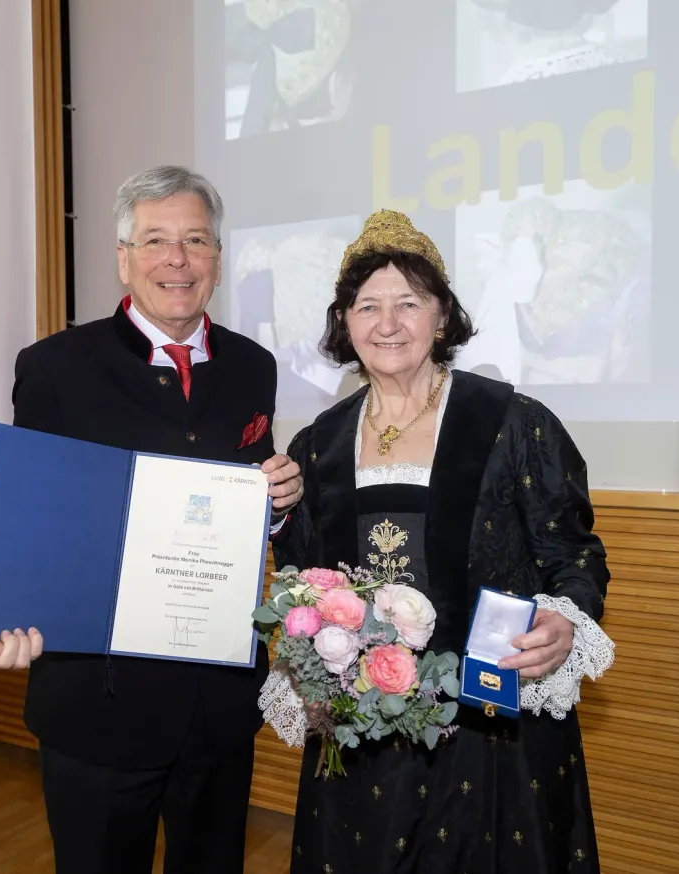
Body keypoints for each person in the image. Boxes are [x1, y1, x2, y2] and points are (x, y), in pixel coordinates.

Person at [0, 165, 304, 874]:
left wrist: (278, 510)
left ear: (219, 260)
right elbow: (27, 513)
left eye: (196, 241)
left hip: (218, 705)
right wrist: (6, 615)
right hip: (97, 708)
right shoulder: (56, 366)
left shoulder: (253, 366)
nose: (178, 260)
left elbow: (244, 510)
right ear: (122, 256)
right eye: (156, 240)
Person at [270, 209, 613, 873]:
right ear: (345, 323)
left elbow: (574, 557)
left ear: (443, 317)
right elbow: (300, 576)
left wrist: (565, 622)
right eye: (367, 306)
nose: (387, 323)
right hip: (366, 733)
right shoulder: (318, 444)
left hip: (493, 733)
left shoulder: (513, 422)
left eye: (409, 302)